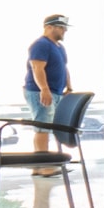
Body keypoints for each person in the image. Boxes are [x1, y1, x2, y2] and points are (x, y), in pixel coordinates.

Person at [23, 14, 71, 156]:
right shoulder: (40, 45)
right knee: (42, 127)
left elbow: (64, 68)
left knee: (50, 127)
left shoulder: (59, 47)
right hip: (40, 92)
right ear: (49, 27)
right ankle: (43, 165)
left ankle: (43, 164)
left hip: (56, 92)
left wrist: (69, 87)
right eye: (61, 28)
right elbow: (37, 68)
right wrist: (44, 89)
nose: (64, 31)